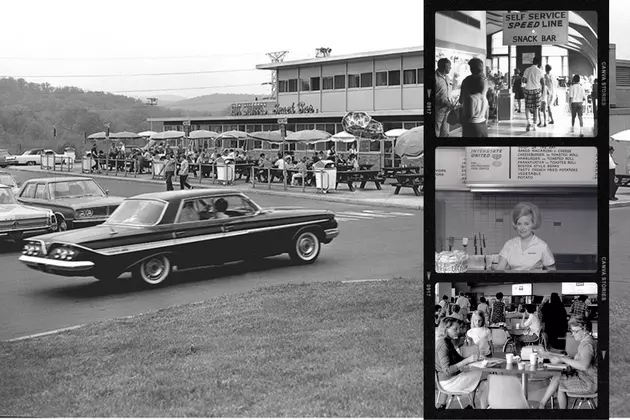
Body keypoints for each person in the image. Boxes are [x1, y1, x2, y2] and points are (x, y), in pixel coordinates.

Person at [538, 315, 598, 409]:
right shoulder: (586, 341)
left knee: (560, 383)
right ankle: (542, 404)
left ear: (585, 329)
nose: (573, 334)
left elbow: (583, 365)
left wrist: (562, 359)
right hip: (587, 378)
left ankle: (544, 405)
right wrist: (555, 356)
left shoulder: (587, 344)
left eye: (575, 331)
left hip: (589, 384)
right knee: (558, 376)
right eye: (572, 331)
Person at [435, 317, 487, 409]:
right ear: (445, 329)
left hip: (450, 378)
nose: (458, 331)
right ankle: (476, 406)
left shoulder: (447, 341)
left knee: (479, 375)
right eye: (455, 329)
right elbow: (447, 370)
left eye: (458, 328)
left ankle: (472, 405)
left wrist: (473, 359)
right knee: (482, 376)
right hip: (448, 381)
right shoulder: (442, 344)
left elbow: (459, 359)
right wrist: (467, 360)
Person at [495, 202, 555, 271]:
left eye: (526, 224)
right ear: (515, 225)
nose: (522, 228)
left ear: (533, 223)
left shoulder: (542, 246)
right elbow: (499, 270)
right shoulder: (509, 245)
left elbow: (552, 273)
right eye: (519, 224)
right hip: (513, 282)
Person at [522, 56, 544, 132]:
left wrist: (529, 81)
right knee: (536, 108)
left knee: (527, 107)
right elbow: (543, 83)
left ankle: (528, 122)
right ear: (538, 63)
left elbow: (524, 81)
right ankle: (534, 125)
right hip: (537, 91)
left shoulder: (527, 70)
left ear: (532, 61)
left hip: (528, 90)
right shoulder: (540, 71)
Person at [435, 58, 452, 137]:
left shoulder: (447, 78)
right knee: (436, 130)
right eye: (449, 66)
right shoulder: (435, 78)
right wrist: (443, 101)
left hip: (447, 109)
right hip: (438, 109)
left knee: (445, 132)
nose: (450, 68)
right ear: (444, 67)